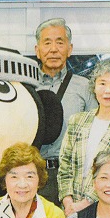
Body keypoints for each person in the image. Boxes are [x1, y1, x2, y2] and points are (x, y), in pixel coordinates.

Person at [57, 59, 110, 217]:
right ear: (94, 87)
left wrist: (84, 204)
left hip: (109, 207)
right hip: (70, 209)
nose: (108, 90)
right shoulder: (77, 120)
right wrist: (68, 202)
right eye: (102, 83)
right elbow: (65, 165)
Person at [33, 17, 95, 204]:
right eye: (47, 43)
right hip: (33, 175)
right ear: (37, 50)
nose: (53, 49)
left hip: (73, 176)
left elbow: (95, 135)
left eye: (60, 42)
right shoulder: (25, 85)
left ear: (70, 49)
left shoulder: (86, 87)